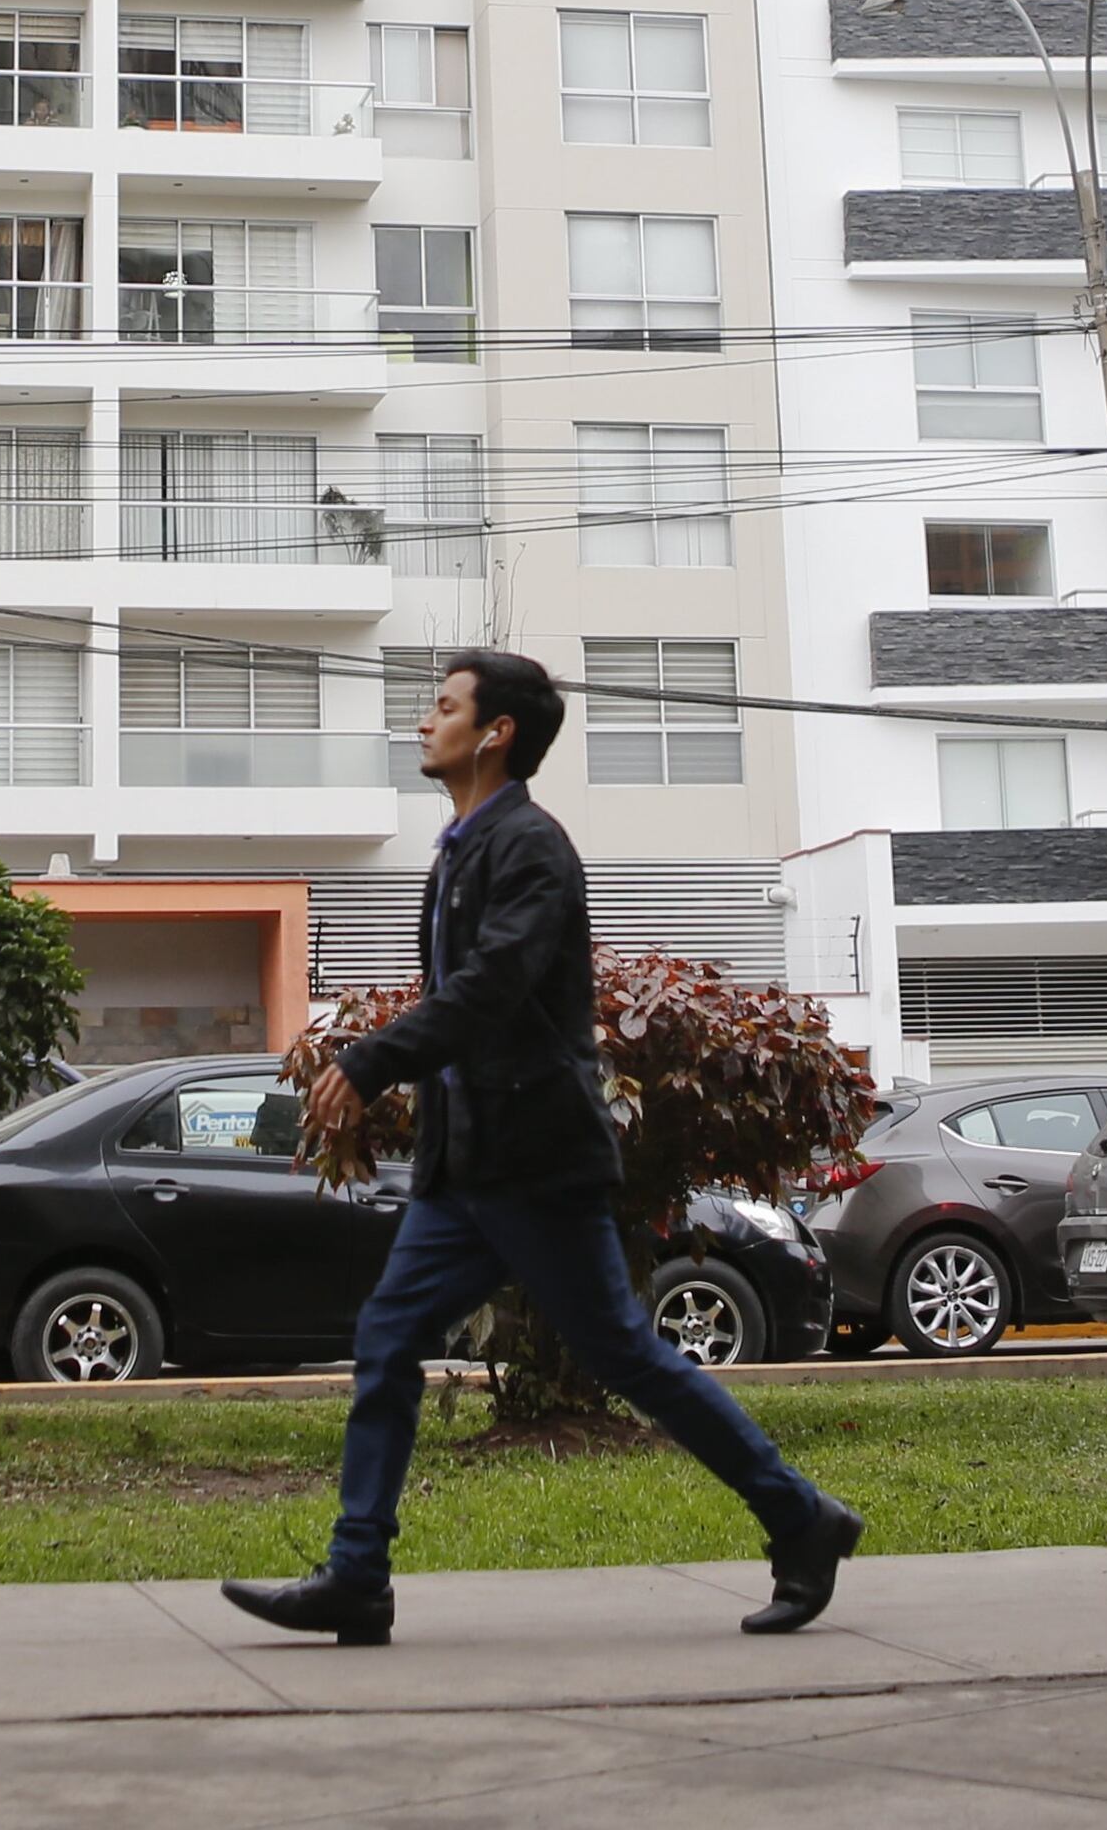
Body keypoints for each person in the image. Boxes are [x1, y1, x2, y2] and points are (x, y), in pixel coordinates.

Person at [220, 652, 863, 1646]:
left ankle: (798, 1514)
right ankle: (357, 1575)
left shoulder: (530, 848)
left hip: (534, 1161)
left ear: (496, 733)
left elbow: (490, 988)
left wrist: (371, 1059)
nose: (423, 722)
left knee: (620, 1353)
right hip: (467, 1169)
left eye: (443, 707)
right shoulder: (460, 848)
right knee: (387, 1339)